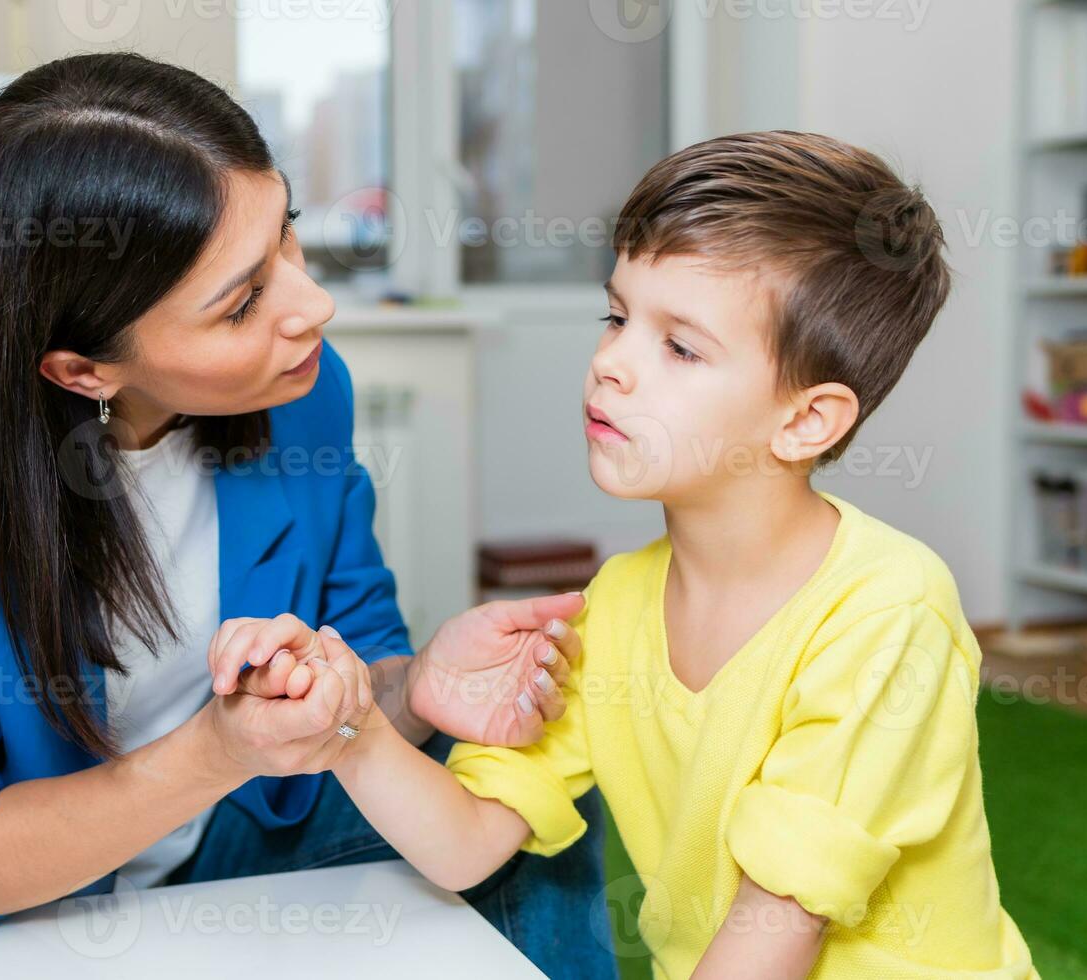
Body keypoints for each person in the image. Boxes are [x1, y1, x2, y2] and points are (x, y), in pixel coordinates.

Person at [0, 52, 613, 979]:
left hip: (241, 842)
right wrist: (217, 752)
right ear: (82, 371)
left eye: (288, 235)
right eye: (245, 301)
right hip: (13, 903)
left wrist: (414, 683)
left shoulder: (306, 393)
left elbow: (355, 663)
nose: (315, 305)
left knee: (530, 784)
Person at [251, 132, 1039, 978]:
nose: (609, 365)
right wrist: (353, 728)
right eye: (618, 317)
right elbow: (468, 847)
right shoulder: (614, 605)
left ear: (807, 421)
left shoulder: (888, 611)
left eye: (680, 346)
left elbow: (774, 933)